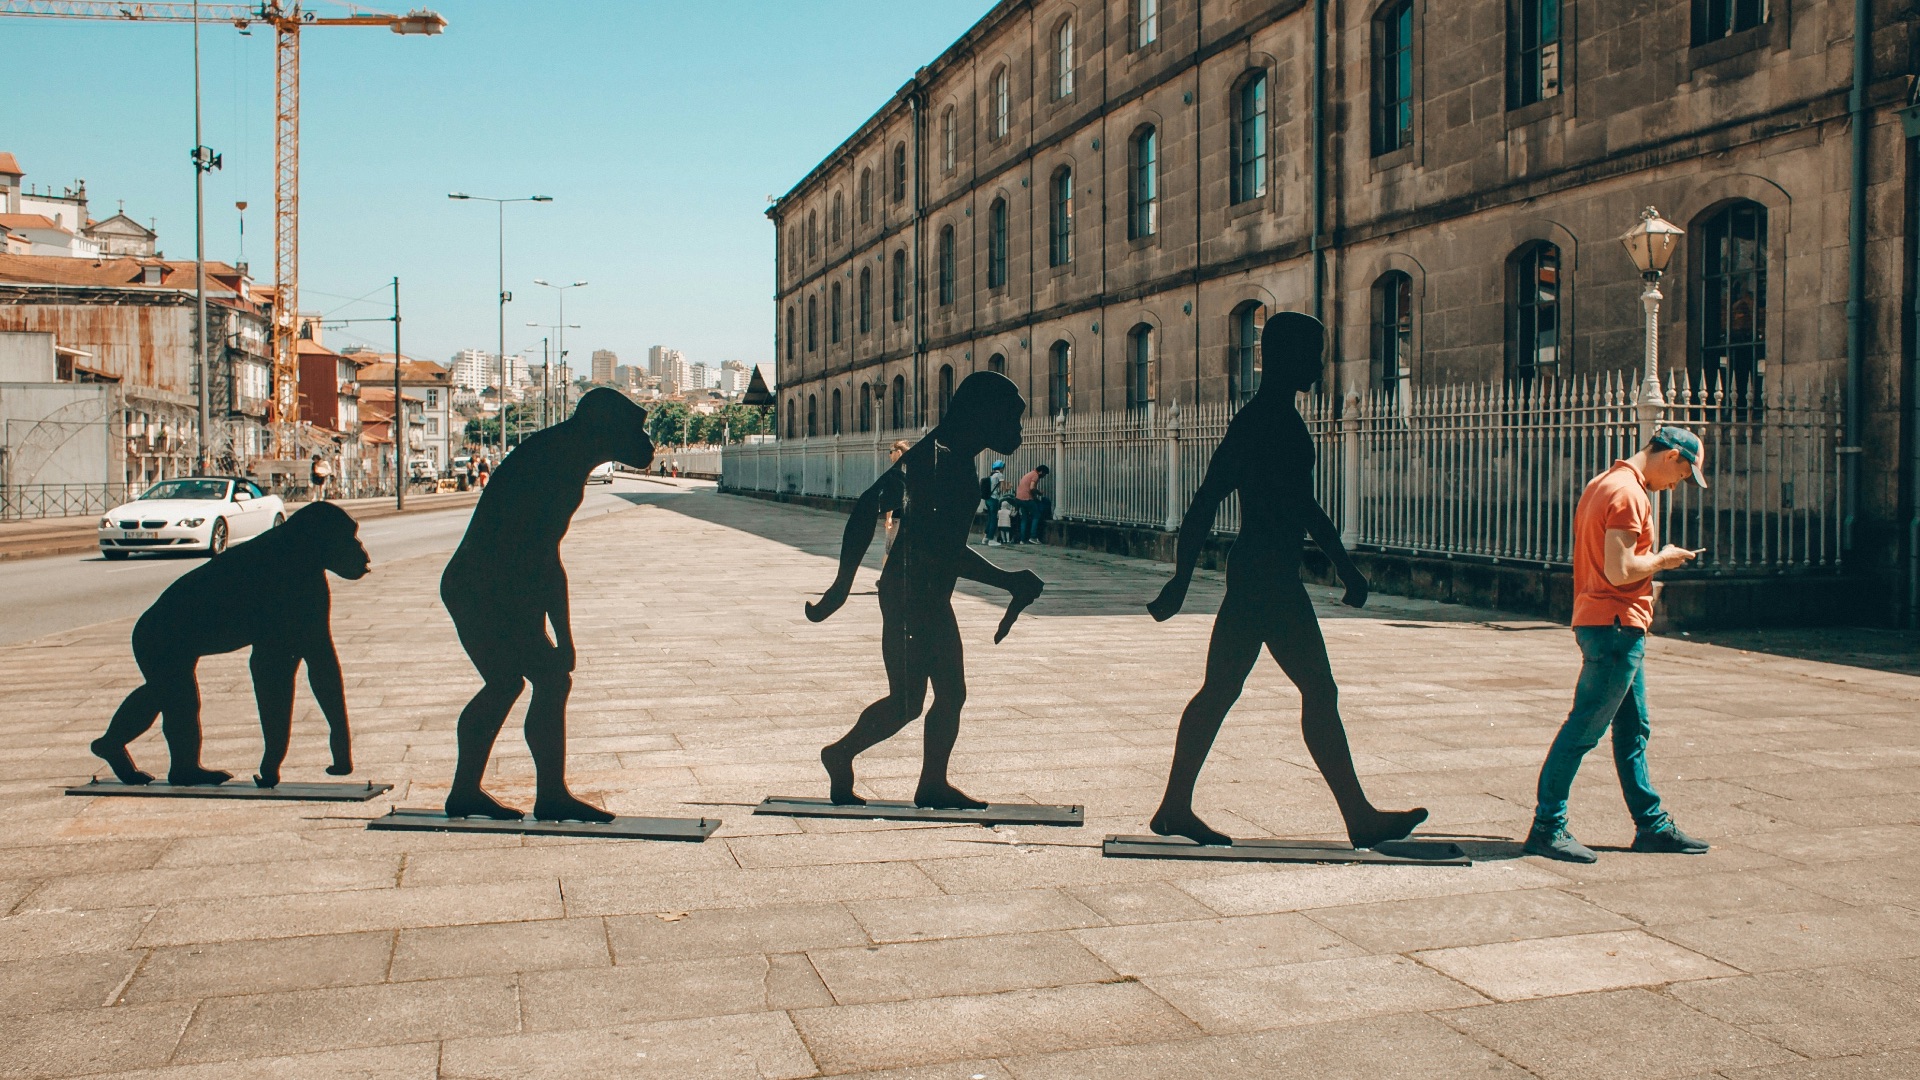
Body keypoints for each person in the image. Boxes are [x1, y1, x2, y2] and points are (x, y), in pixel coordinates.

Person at [1146, 311, 1427, 849]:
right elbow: (1210, 501)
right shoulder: (1265, 422)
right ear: (1283, 357)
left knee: (1224, 690)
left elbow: (1297, 505)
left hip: (1261, 572)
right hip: (1266, 580)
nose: (1319, 364)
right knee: (1316, 690)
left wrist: (1344, 565)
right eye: (1312, 352)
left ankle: (1174, 807)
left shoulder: (1270, 419)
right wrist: (1180, 579)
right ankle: (1358, 818)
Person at [806, 372, 1043, 809]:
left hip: (924, 593)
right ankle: (841, 755)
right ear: (985, 415)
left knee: (943, 696)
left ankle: (929, 782)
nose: (1019, 430)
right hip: (910, 594)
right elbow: (906, 530)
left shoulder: (949, 454)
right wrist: (841, 587)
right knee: (908, 703)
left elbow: (941, 546)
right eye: (1013, 418)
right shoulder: (942, 461)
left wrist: (1009, 579)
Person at [439, 389, 654, 822]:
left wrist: (558, 634)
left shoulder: (563, 455)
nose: (646, 442)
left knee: (519, 682)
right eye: (635, 430)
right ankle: (535, 794)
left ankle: (486, 791)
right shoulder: (555, 464)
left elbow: (536, 559)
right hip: (483, 587)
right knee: (531, 682)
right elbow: (541, 559)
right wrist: (563, 637)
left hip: (498, 585)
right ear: (604, 428)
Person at [1524, 426, 1711, 863]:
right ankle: (1546, 827)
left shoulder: (1602, 483)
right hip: (1615, 627)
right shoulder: (1630, 494)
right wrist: (1663, 559)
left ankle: (1652, 825)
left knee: (1632, 730)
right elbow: (1620, 570)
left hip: (1608, 623)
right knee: (1584, 729)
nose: (1679, 484)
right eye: (1684, 474)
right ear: (1670, 456)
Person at [882, 439, 911, 557]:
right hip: (907, 517)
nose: (889, 455)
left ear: (898, 452)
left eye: (891, 451)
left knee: (889, 551)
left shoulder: (895, 472)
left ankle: (885, 575)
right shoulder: (910, 471)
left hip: (896, 518)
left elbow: (891, 496)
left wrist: (888, 518)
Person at [1014, 464, 1050, 544]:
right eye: (1044, 474)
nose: (1043, 476)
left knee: (1024, 518)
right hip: (1027, 498)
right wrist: (1038, 492)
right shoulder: (1035, 475)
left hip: (1019, 498)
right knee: (1036, 515)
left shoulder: (1029, 474)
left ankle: (1022, 539)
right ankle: (1033, 537)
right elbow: (1032, 487)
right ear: (1041, 472)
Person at [979, 460, 1008, 546]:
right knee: (994, 520)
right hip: (994, 499)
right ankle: (991, 539)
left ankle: (986, 538)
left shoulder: (991, 475)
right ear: (1001, 468)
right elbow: (1003, 489)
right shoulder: (1000, 475)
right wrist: (1008, 487)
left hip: (988, 499)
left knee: (990, 518)